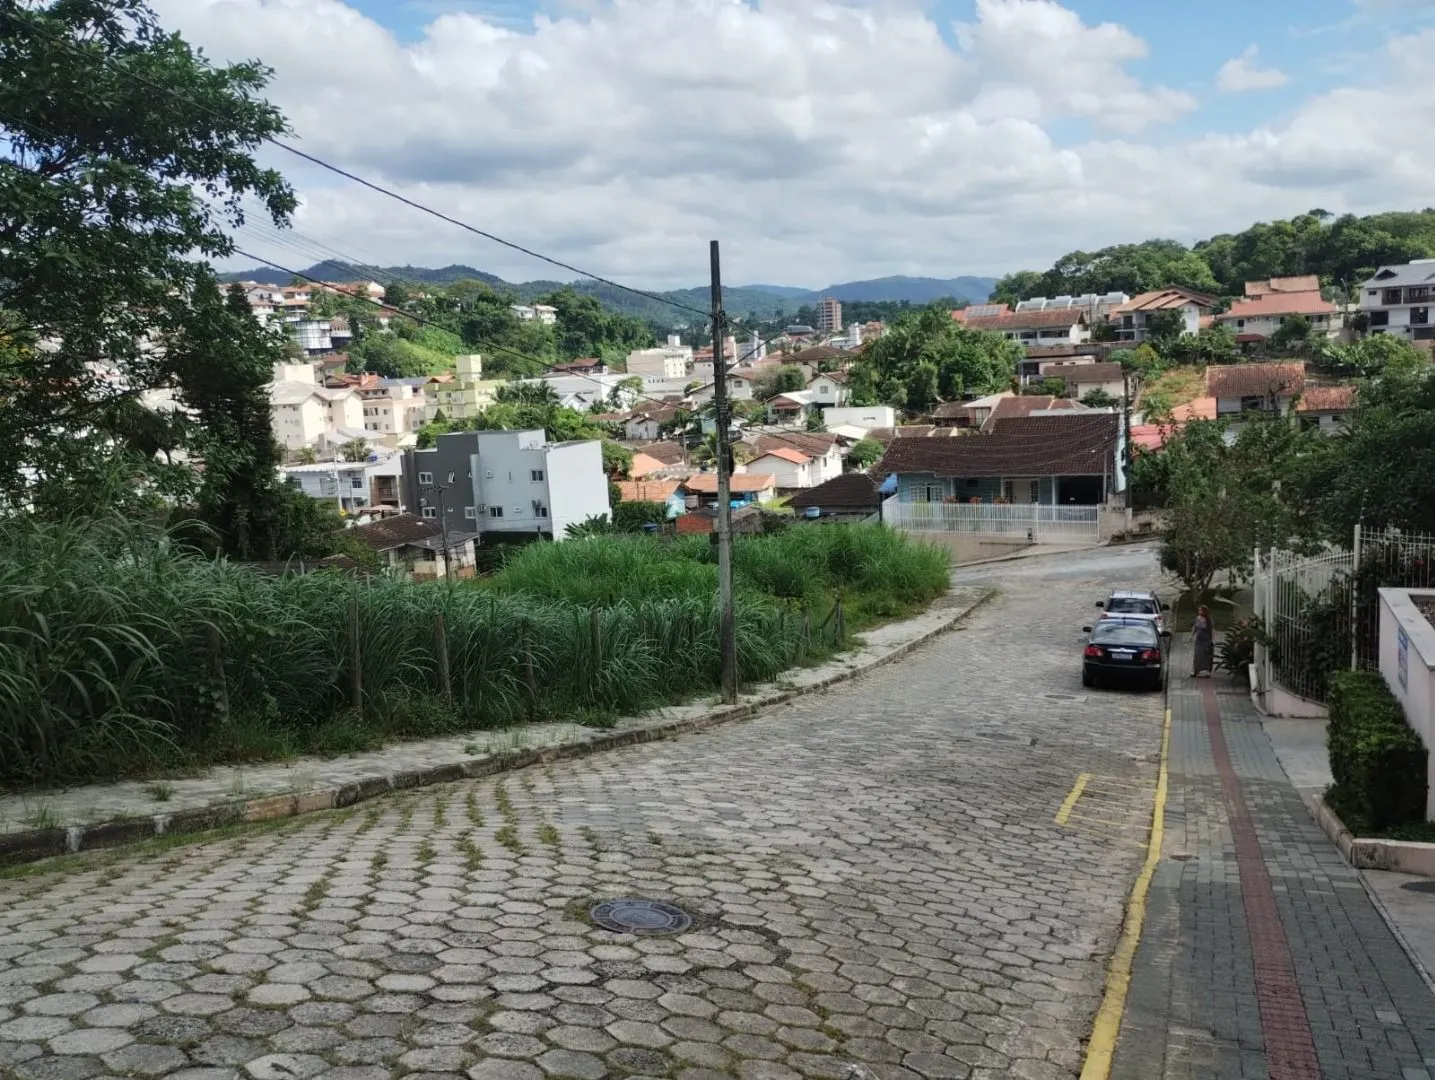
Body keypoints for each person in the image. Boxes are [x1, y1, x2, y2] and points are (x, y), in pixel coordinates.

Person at [1191, 605, 1214, 678]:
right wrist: (1192, 635)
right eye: (1199, 610)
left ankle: (1207, 671)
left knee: (1207, 655)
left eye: (1201, 610)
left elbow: (1212, 630)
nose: (1200, 612)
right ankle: (1196, 670)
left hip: (1207, 639)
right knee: (1198, 654)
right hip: (1199, 639)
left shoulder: (1209, 619)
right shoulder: (1197, 618)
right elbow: (1195, 627)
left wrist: (1213, 639)